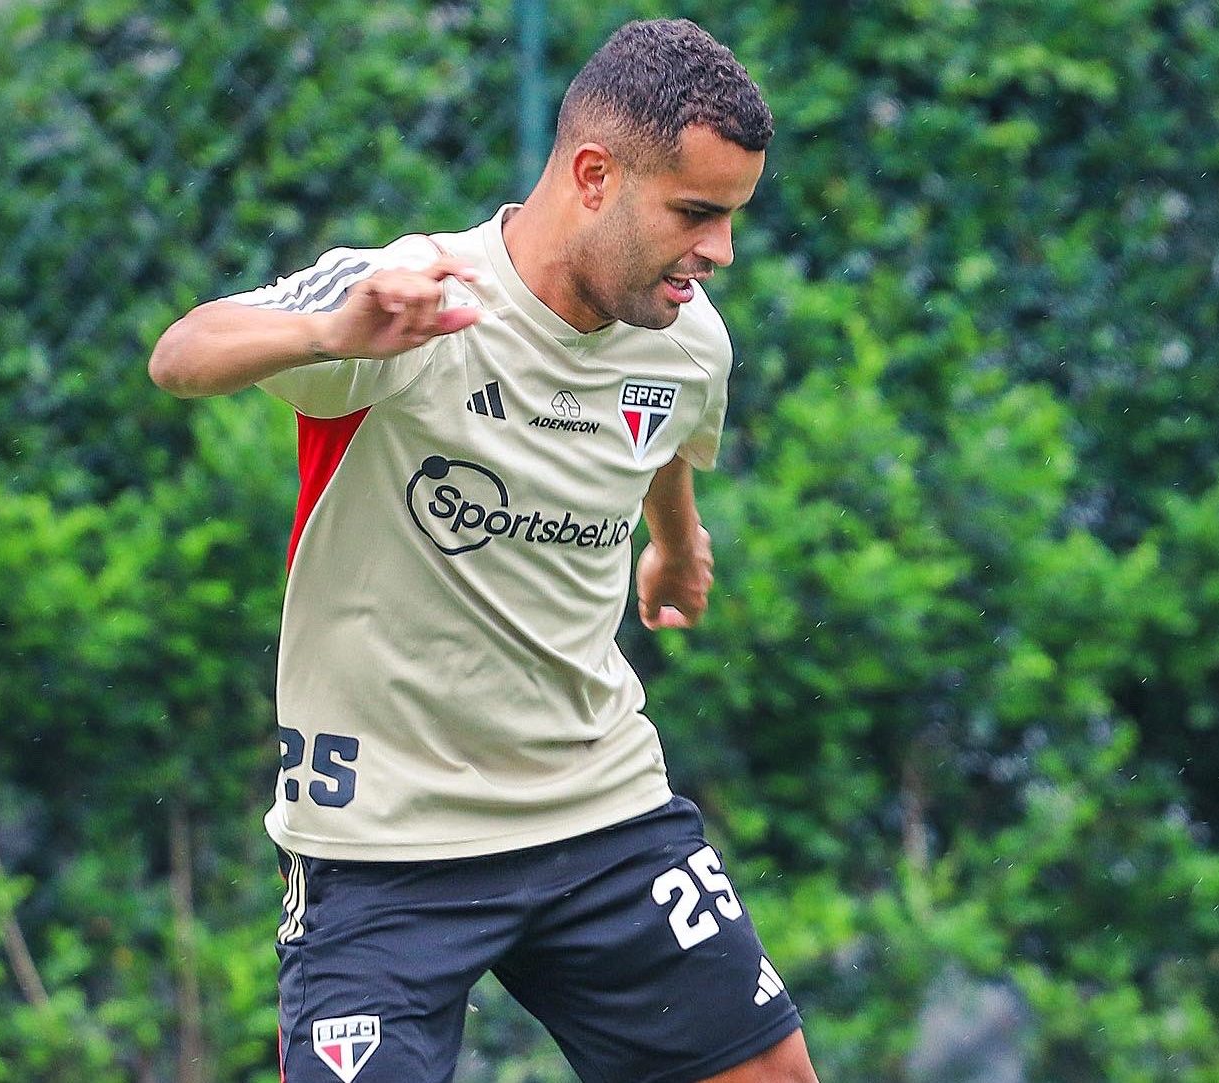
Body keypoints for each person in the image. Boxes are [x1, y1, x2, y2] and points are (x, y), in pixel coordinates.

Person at [149, 17, 818, 1083]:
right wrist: (330, 333)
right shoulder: (410, 298)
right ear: (595, 175)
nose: (720, 252)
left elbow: (663, 436)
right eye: (697, 213)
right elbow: (182, 354)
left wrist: (678, 544)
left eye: (733, 217)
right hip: (383, 847)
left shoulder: (685, 332)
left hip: (599, 812)